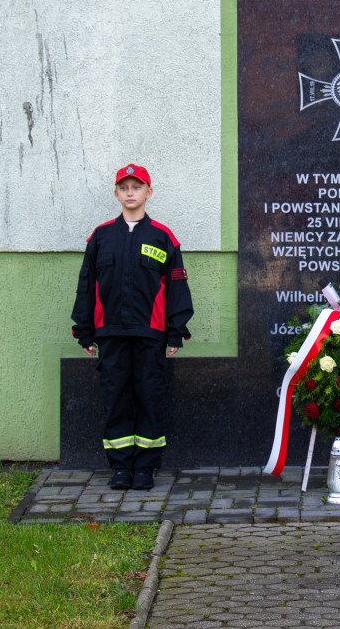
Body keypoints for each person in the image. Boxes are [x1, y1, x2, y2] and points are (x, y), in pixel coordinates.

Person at [71, 164, 194, 490]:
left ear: (148, 192)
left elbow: (176, 286)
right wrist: (83, 328)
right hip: (109, 332)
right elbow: (87, 284)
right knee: (116, 398)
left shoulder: (163, 237)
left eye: (136, 187)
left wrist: (175, 330)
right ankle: (121, 467)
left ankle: (145, 467)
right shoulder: (100, 237)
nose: (130, 192)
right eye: (124, 187)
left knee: (149, 397)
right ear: (116, 194)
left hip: (149, 334)